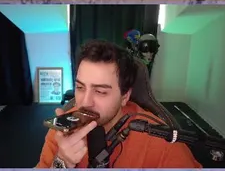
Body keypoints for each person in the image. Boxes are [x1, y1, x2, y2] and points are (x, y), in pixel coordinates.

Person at [36, 40, 200, 169]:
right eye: (80, 87)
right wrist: (62, 162)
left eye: (100, 91)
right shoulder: (62, 132)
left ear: (124, 96)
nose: (84, 102)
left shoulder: (161, 142)